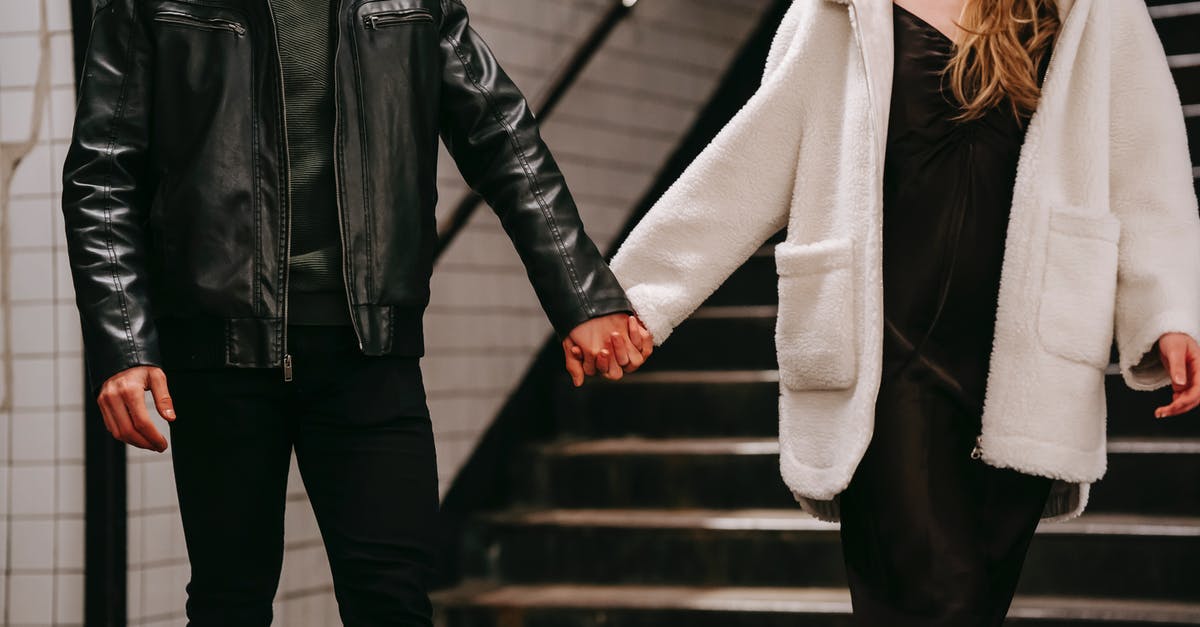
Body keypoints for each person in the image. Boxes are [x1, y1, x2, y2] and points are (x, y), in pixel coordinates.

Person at [607, 0, 1200, 624]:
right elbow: (749, 159)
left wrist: (1170, 311)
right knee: (939, 602)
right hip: (883, 366)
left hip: (1028, 368)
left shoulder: (1091, 9)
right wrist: (633, 296)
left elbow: (1146, 167)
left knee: (963, 606)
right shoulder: (837, 10)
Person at [62, 0, 649, 624]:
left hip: (370, 357)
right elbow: (102, 175)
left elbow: (502, 137)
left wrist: (582, 296)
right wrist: (125, 342)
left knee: (392, 603)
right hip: (218, 356)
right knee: (227, 602)